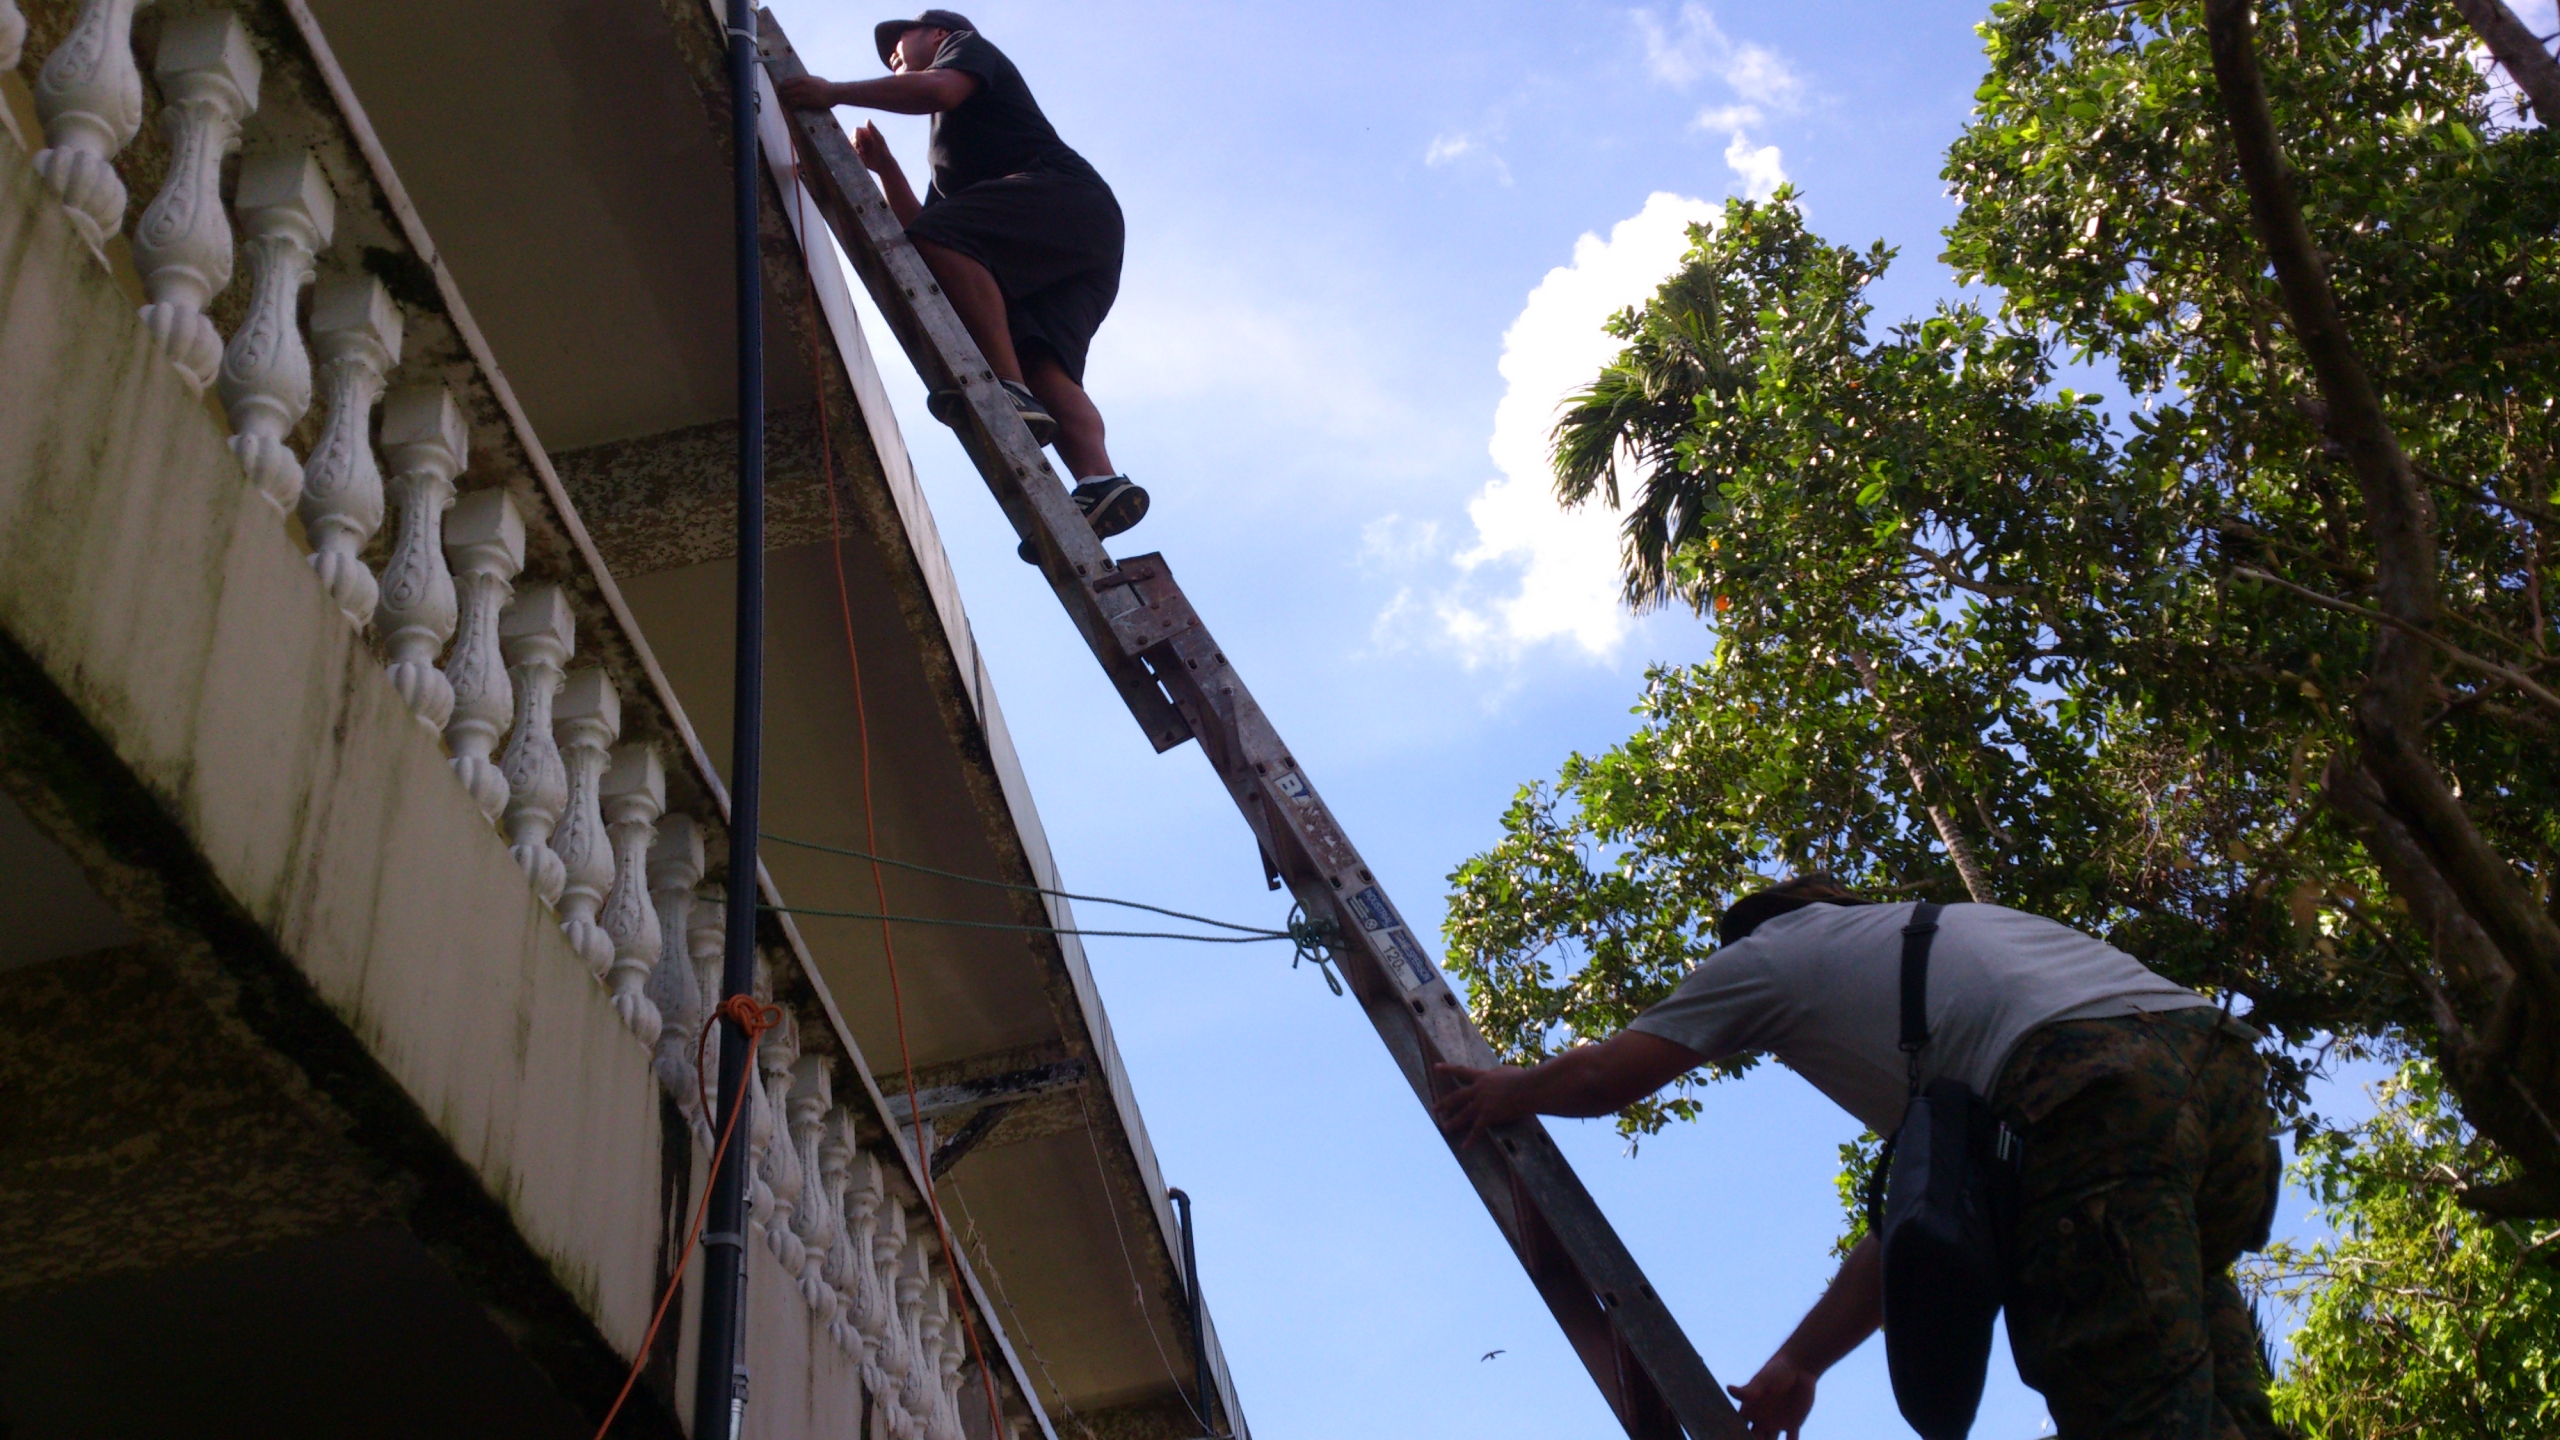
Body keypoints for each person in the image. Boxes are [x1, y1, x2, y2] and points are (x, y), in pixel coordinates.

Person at [1432, 875, 2285, 1440]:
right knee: (2207, 1392)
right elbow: (1922, 1219)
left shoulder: (1771, 950)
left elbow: (1607, 1075)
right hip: (2222, 1084)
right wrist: (1802, 1361)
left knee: (2130, 1409)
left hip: (2085, 1092)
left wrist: (1512, 1091)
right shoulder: (1953, 944)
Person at [778, 11, 1145, 562]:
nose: (893, 58)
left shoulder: (967, 50)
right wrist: (885, 169)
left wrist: (834, 93)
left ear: (939, 35)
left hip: (1064, 197)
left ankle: (1008, 388)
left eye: (899, 45)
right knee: (1041, 357)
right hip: (1079, 238)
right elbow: (922, 234)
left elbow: (938, 92)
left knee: (950, 249)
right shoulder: (951, 157)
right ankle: (1099, 480)